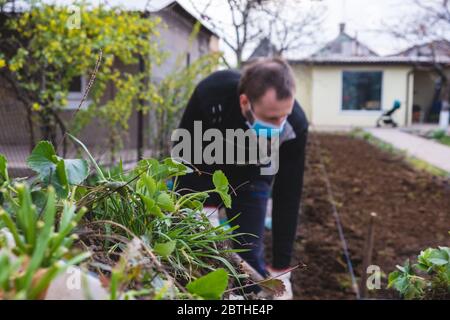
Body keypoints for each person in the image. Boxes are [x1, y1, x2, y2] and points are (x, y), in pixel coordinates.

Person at [173, 58, 308, 299]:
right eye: (271, 118)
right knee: (200, 250)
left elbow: (288, 194)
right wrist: (200, 213)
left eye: (284, 115)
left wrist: (281, 268)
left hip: (253, 175)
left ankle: (248, 299)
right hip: (205, 168)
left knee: (248, 255)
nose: (280, 125)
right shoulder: (212, 95)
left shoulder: (294, 124)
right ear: (245, 102)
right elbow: (184, 155)